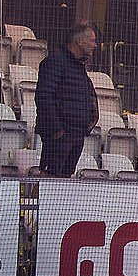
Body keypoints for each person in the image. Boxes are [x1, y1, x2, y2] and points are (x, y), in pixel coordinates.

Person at [34, 23, 98, 177]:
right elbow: (44, 97)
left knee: (64, 180)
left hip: (76, 135)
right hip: (59, 136)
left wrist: (86, 126)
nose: (95, 45)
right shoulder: (55, 62)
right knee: (50, 178)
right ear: (79, 41)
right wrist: (56, 130)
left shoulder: (79, 67)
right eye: (92, 40)